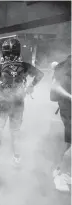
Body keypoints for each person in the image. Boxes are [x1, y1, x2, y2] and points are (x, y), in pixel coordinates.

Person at [0, 38, 44, 167]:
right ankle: (16, 158)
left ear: (4, 52)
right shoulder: (25, 66)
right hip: (18, 103)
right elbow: (40, 74)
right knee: (15, 131)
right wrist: (31, 86)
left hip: (3, 103)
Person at [50, 55, 71, 192]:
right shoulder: (66, 66)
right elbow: (55, 86)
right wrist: (70, 96)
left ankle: (60, 171)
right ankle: (61, 175)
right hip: (68, 109)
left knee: (69, 142)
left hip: (67, 108)